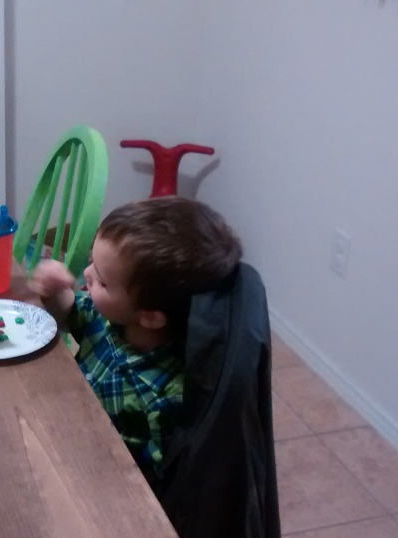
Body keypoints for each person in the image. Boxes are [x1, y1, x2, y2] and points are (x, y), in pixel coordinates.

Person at [29, 196, 242, 483]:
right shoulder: (111, 317)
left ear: (151, 318)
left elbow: (155, 482)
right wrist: (54, 291)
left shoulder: (165, 399)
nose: (86, 274)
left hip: (93, 475)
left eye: (102, 281)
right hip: (62, 424)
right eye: (92, 262)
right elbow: (69, 313)